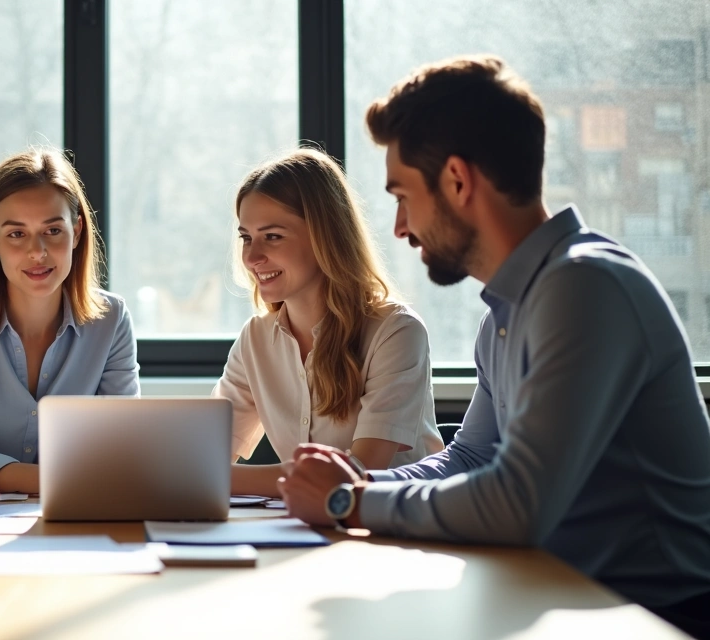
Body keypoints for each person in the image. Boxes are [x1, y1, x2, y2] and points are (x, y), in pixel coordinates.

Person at [277, 54, 710, 636]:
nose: (400, 227)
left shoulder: (585, 288)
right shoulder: (510, 310)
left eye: (403, 196)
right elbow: (471, 459)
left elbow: (517, 505)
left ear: (458, 181)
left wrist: (346, 504)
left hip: (652, 618)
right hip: (559, 597)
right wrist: (359, 485)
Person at [216, 148, 442, 497]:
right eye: (247, 237)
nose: (252, 256)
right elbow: (206, 455)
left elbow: (357, 475)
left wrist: (220, 477)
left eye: (272, 236)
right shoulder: (256, 340)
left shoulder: (396, 332)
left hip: (397, 533)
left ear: (326, 235)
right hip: (312, 527)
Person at [0, 149, 139, 494]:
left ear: (76, 233)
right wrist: (68, 483)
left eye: (52, 230)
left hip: (83, 517)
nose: (37, 252)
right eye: (16, 234)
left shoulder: (112, 321)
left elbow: (122, 447)